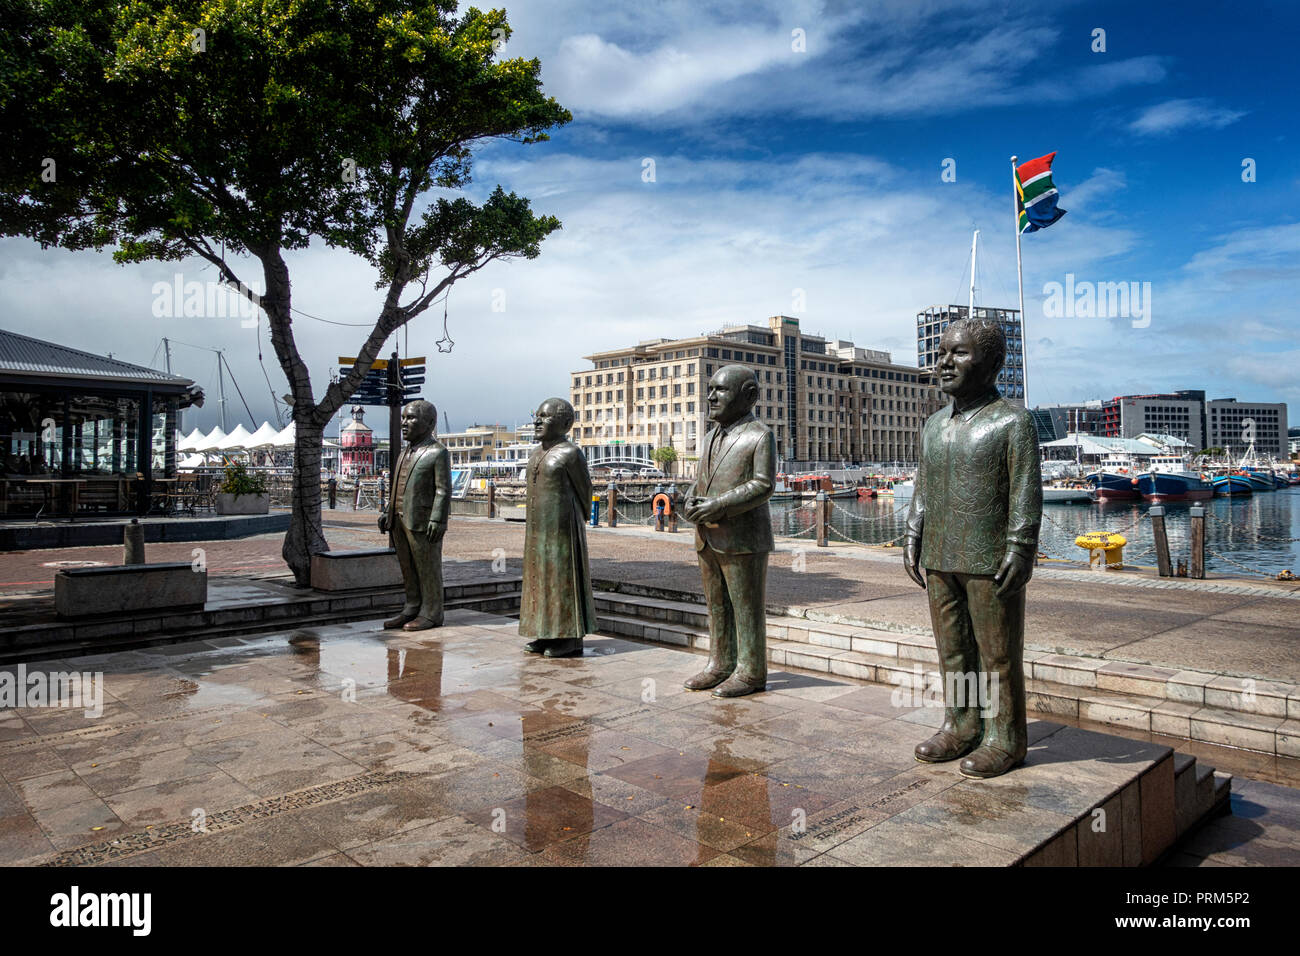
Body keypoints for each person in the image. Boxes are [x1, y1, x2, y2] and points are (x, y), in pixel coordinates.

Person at [904, 317, 1042, 778]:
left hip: (989, 558)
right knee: (954, 651)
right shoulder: (933, 425)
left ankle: (1006, 738)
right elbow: (923, 487)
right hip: (940, 554)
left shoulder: (1013, 422)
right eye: (941, 353)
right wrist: (913, 531)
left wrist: (1021, 549)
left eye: (958, 353)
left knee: (998, 655)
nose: (944, 362)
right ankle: (961, 725)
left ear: (993, 362)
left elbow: (1026, 492)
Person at [681, 365, 776, 698]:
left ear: (748, 395)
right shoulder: (709, 437)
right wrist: (691, 497)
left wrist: (719, 505)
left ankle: (751, 672)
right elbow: (703, 478)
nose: (711, 397)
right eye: (710, 389)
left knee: (746, 607)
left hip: (743, 538)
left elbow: (763, 485)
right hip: (707, 535)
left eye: (720, 390)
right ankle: (719, 664)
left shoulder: (760, 435)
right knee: (717, 605)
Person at [519, 397, 596, 658]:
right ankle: (545, 630)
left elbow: (585, 491)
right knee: (539, 579)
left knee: (562, 579)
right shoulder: (536, 454)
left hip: (562, 529)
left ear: (564, 423)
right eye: (537, 415)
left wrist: (575, 523)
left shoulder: (570, 453)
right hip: (537, 530)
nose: (537, 420)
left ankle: (570, 638)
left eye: (545, 416)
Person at [377, 400, 451, 631]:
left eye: (410, 418)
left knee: (427, 568)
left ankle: (431, 612)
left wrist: (438, 519)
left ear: (429, 423)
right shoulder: (403, 453)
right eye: (403, 418)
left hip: (422, 521)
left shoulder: (437, 452)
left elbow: (443, 490)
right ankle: (412, 606)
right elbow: (398, 485)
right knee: (407, 567)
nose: (404, 423)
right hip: (399, 519)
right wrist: (388, 510)